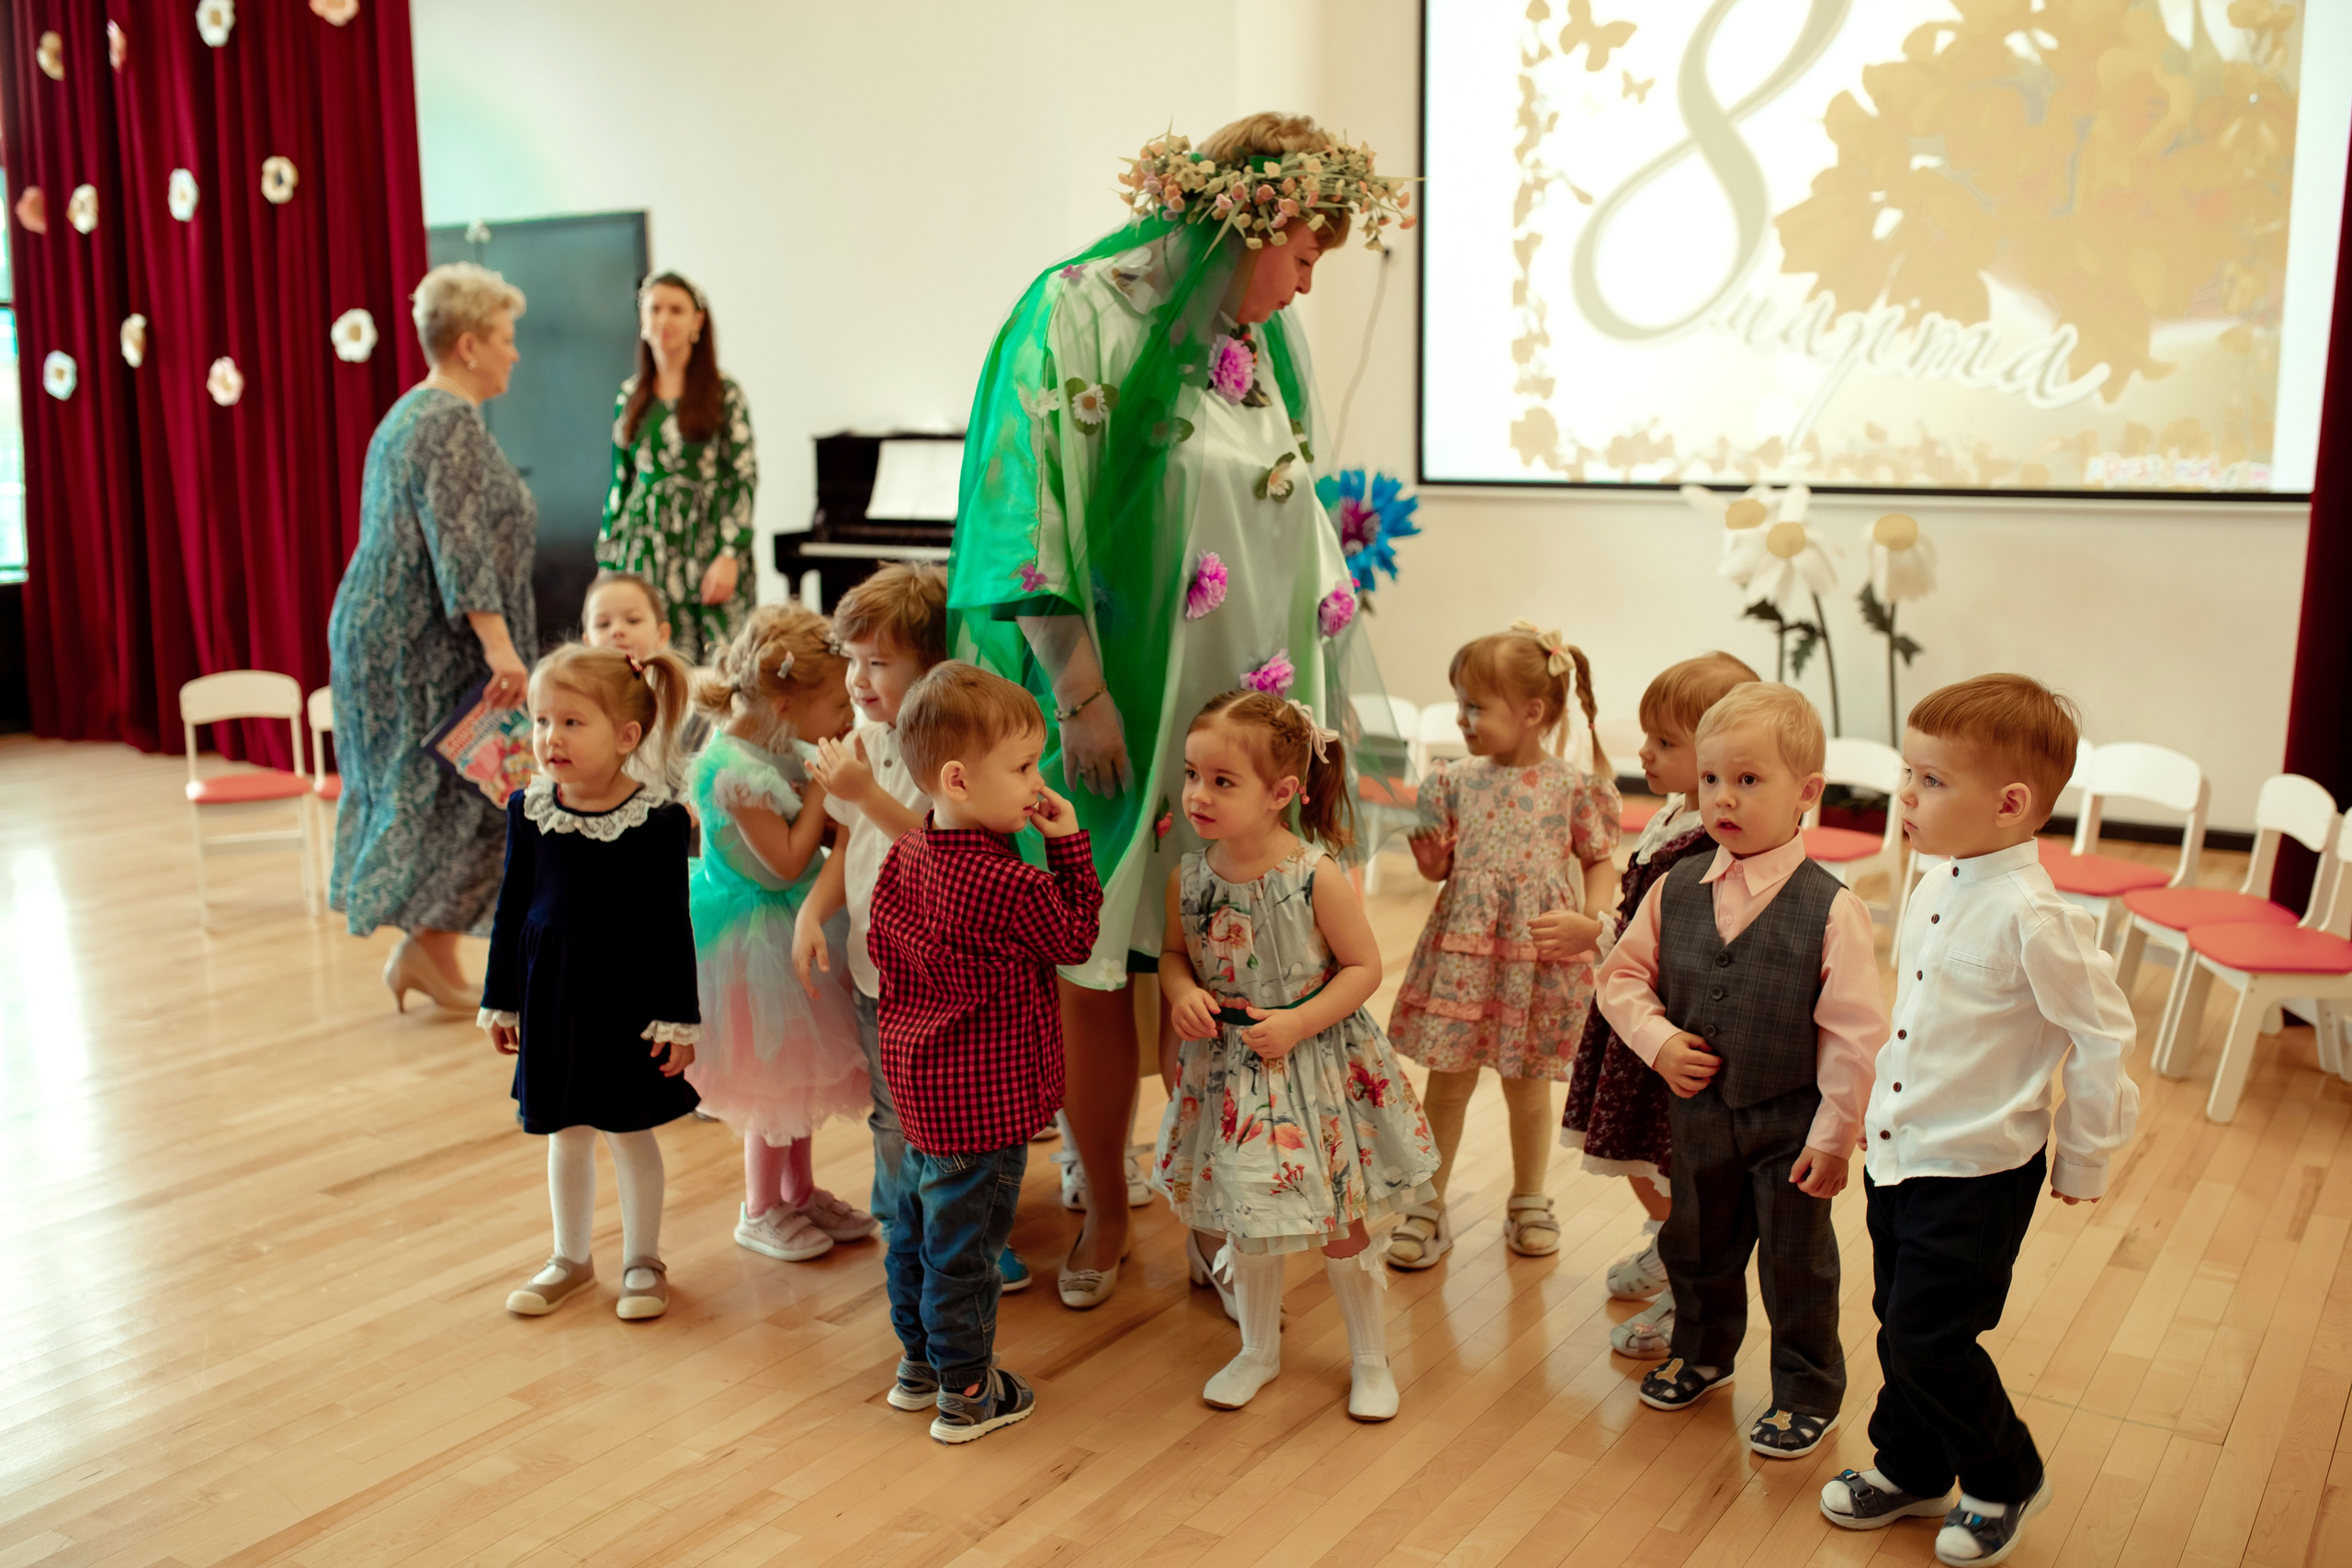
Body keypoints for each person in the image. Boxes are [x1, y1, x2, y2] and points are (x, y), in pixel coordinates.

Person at [948, 113, 1414, 1307]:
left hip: (1249, 701)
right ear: (1249, 220)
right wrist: (1082, 691)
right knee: (1103, 962)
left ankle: (1223, 1195)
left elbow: (1290, 509)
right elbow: (1030, 509)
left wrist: (1308, 726)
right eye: (1303, 251)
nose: (1308, 281)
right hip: (1129, 700)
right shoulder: (1078, 310)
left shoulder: (1261, 337)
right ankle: (1106, 1205)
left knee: (1229, 951)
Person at [1820, 675, 2138, 1566]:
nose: (1904, 796)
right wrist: (1871, 1114)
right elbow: (1921, 1021)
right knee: (1896, 1315)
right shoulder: (1930, 882)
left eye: (1928, 781)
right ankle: (1912, 1465)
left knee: (1931, 1333)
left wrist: (2083, 1155)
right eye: (1907, 775)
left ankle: (2003, 1473)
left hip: (1979, 1169)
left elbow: (2103, 1032)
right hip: (1902, 1153)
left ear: (2008, 805)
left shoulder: (2034, 917)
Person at [1594, 682, 1888, 1460]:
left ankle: (1806, 1391)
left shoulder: (1832, 908)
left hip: (1789, 1125)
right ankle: (1703, 1350)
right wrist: (1657, 1040)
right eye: (1713, 780)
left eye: (1749, 780)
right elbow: (1620, 978)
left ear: (1808, 793)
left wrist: (1835, 1135)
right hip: (1697, 1121)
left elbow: (1857, 1034)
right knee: (1695, 1245)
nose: (1725, 798)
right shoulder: (1675, 888)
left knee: (1796, 1266)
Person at [1154, 691, 1439, 1421]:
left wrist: (1295, 1021)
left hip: (1313, 1072)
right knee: (1248, 1215)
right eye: (1192, 774)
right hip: (1229, 1073)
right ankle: (1257, 1349)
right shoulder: (1188, 877)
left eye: (1222, 781)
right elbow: (1174, 954)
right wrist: (1182, 989)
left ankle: (1370, 1360)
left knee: (1339, 1216)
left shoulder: (1316, 873)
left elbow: (1363, 968)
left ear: (1281, 793)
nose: (1197, 794)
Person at [867, 662, 1102, 1444]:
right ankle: (968, 1388)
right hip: (986, 1104)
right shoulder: (1009, 882)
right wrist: (1068, 842)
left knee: (914, 1230)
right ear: (961, 778)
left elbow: (883, 950)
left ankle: (920, 1366)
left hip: (918, 1087)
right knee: (965, 1249)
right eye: (1026, 767)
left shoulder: (906, 855)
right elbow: (1075, 936)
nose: (1039, 785)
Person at [795, 565, 1035, 1291]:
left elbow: (940, 848)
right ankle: (906, 1222)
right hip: (878, 965)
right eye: (852, 660)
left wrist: (864, 792)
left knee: (956, 1121)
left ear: (932, 666)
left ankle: (967, 1238)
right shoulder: (860, 738)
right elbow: (848, 849)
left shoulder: (952, 750)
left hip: (947, 978)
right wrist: (812, 911)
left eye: (879, 663)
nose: (859, 679)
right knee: (892, 1113)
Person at [330, 262, 535, 1013]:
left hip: (401, 637)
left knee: (463, 791)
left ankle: (429, 951)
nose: (517, 354)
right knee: (462, 789)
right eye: (508, 340)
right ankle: (427, 948)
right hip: (419, 646)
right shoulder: (444, 419)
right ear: (472, 344)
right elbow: (461, 544)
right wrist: (501, 647)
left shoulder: (417, 413)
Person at [1385, 623, 1621, 1270]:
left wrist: (1592, 917)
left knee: (1527, 1086)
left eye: (1475, 706)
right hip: (1465, 955)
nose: (1462, 718)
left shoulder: (1572, 786)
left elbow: (1599, 859)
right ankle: (1427, 1206)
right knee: (1448, 1084)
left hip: (1537, 956)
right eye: (1459, 702)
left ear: (1532, 712)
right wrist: (1431, 857)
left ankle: (1529, 1198)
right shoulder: (1454, 780)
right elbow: (1439, 869)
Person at [479, 644, 700, 1321]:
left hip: (625, 1004)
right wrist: (501, 997)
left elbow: (672, 926)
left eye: (573, 722)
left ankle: (644, 1258)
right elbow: (512, 908)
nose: (551, 738)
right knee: (565, 1133)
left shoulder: (658, 822)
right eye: (543, 721)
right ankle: (569, 1257)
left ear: (626, 737)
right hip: (553, 1000)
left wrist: (678, 1020)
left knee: (629, 1131)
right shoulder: (529, 810)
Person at [1554, 651, 1760, 1357]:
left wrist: (1596, 932)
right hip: (1635, 1016)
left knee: (1672, 1167)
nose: (1645, 751)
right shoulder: (1676, 814)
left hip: (1671, 1025)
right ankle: (1670, 1247)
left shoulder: (1716, 840)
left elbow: (1674, 934)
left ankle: (1690, 1287)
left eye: (1665, 742)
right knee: (1644, 1161)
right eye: (1650, 736)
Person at [683, 606, 873, 1263]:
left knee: (802, 1077)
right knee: (772, 1083)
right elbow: (789, 860)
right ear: (786, 704)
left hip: (789, 919)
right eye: (834, 708)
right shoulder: (735, 773)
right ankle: (760, 1207)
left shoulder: (773, 738)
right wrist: (829, 786)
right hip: (753, 936)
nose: (843, 721)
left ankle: (799, 1187)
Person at [595, 271, 756, 665]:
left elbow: (743, 476)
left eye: (676, 310)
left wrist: (730, 554)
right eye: (654, 309)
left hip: (707, 546)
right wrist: (607, 562)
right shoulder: (630, 395)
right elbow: (620, 482)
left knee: (718, 666)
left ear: (697, 321)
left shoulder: (724, 393)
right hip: (645, 551)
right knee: (651, 665)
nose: (663, 320)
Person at [583, 570, 711, 761]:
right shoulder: (580, 698)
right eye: (603, 624)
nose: (617, 630)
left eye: (632, 620)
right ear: (587, 642)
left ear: (662, 635)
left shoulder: (683, 693)